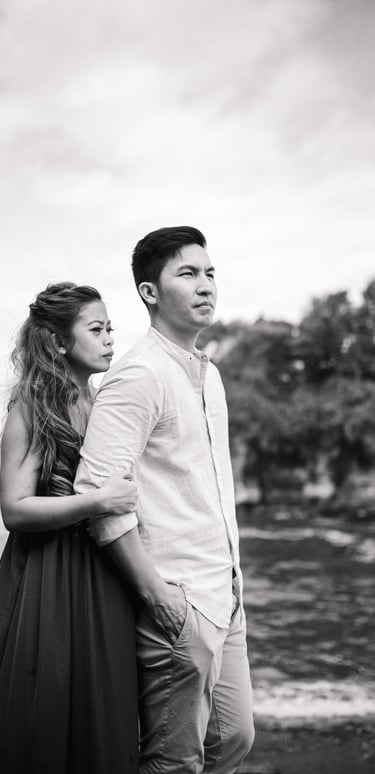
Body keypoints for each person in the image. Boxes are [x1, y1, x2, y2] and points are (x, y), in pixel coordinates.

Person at [75, 226, 255, 774]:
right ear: (150, 292)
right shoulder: (136, 375)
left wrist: (232, 580)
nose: (205, 286)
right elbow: (98, 496)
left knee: (235, 737)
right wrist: (159, 597)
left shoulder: (212, 376)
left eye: (209, 273)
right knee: (172, 761)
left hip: (225, 593)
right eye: (187, 273)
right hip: (179, 600)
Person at [0, 282, 139, 774]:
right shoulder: (33, 408)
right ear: (59, 342)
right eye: (96, 329)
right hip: (49, 577)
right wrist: (97, 500)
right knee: (50, 716)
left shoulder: (104, 402)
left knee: (107, 711)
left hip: (103, 569)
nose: (108, 340)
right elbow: (14, 509)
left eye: (110, 330)